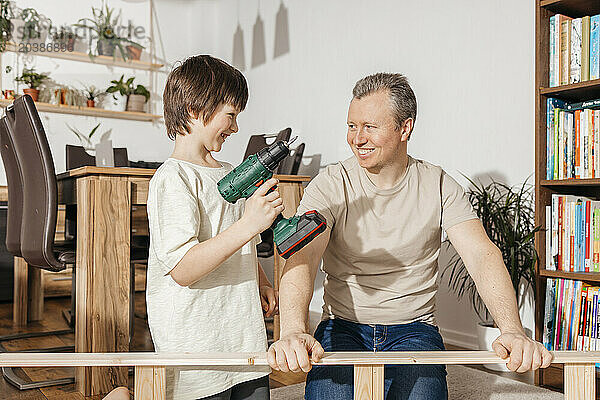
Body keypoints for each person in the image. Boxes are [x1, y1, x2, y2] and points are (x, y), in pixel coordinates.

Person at [267, 73, 553, 399]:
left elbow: (482, 254)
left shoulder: (439, 184)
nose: (357, 138)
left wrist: (513, 330)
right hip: (343, 326)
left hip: (415, 330)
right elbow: (303, 257)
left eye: (370, 127)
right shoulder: (331, 183)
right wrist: (292, 330)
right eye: (351, 126)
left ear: (405, 128)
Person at [146, 55, 280, 400]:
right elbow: (183, 270)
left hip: (243, 335)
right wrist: (251, 223)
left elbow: (238, 242)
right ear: (194, 108)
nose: (235, 127)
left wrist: (261, 280)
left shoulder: (229, 171)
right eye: (230, 115)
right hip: (197, 345)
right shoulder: (173, 178)